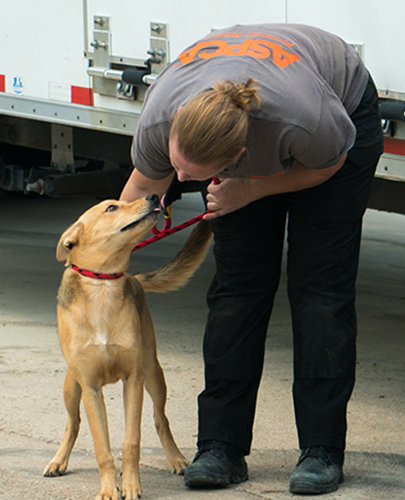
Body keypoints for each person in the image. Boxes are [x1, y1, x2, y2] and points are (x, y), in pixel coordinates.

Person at [119, 23, 383, 495]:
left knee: (320, 288)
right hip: (246, 132)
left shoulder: (305, 119)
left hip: (339, 122)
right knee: (238, 288)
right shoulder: (162, 118)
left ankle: (322, 450)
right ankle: (220, 445)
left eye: (191, 177)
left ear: (236, 158)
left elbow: (328, 163)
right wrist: (112, 260)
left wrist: (254, 189)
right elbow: (142, 190)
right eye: (177, 166)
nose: (178, 179)